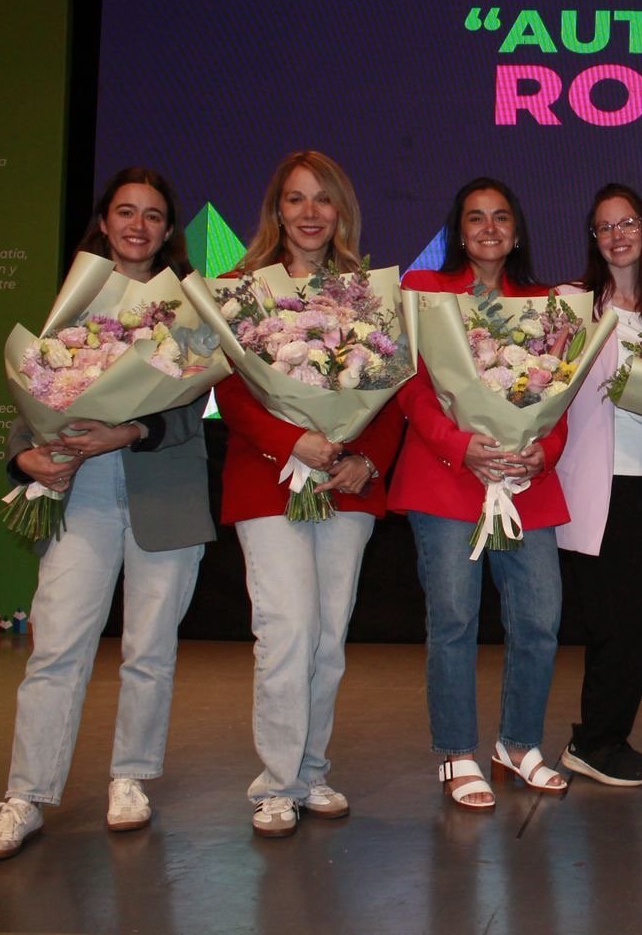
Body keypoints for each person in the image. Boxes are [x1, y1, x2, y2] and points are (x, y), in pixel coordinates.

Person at [0, 168, 214, 861]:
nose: (138, 226)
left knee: (150, 648)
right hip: (79, 487)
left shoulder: (192, 309)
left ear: (168, 231)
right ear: (104, 223)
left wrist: (131, 430)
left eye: (153, 215)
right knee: (57, 646)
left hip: (165, 490)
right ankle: (25, 795)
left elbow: (192, 410)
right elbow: (36, 393)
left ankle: (130, 779)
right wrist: (24, 457)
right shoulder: (75, 302)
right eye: (125, 212)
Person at [217, 151, 403, 837]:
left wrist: (366, 460)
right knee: (287, 629)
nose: (310, 213)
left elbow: (394, 388)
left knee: (327, 637)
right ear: (277, 209)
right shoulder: (241, 288)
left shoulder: (367, 292)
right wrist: (292, 442)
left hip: (346, 484)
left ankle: (311, 770)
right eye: (296, 199)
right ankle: (276, 783)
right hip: (268, 479)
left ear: (341, 210)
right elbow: (232, 390)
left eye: (323, 199)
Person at [391, 176, 569, 809]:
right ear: (459, 231)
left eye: (501, 217)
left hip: (524, 481)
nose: (489, 228)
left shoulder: (548, 303)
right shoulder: (425, 291)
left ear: (516, 232)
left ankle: (518, 745)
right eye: (475, 217)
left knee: (539, 618)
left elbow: (562, 391)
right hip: (446, 479)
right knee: (454, 620)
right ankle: (456, 752)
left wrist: (542, 452)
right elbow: (411, 386)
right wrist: (458, 444)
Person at [554, 184, 642, 788]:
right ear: (593, 240)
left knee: (637, 618)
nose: (617, 235)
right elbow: (545, 382)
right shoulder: (572, 303)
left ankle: (608, 737)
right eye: (604, 227)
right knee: (621, 618)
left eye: (626, 223)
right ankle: (593, 742)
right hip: (595, 483)